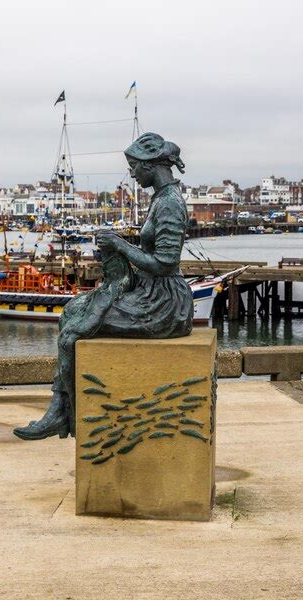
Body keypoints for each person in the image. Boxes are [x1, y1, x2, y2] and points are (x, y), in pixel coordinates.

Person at [13, 133, 194, 441]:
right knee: (70, 311)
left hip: (163, 301)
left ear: (151, 165)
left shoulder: (170, 205)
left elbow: (164, 263)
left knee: (75, 329)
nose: (133, 174)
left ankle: (60, 412)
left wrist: (120, 245)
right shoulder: (161, 198)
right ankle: (59, 408)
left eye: (135, 166)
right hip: (150, 290)